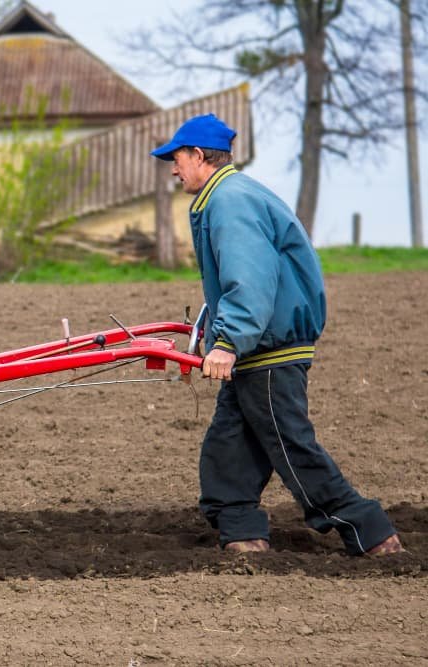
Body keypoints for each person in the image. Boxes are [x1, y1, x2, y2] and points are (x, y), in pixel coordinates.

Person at [149, 114, 403, 556]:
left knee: (291, 447)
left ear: (199, 155)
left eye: (177, 158)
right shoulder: (233, 194)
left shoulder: (230, 201)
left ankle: (369, 531)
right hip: (260, 345)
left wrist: (229, 342)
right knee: (229, 446)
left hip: (268, 348)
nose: (174, 169)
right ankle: (242, 532)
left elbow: (250, 278)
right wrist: (217, 329)